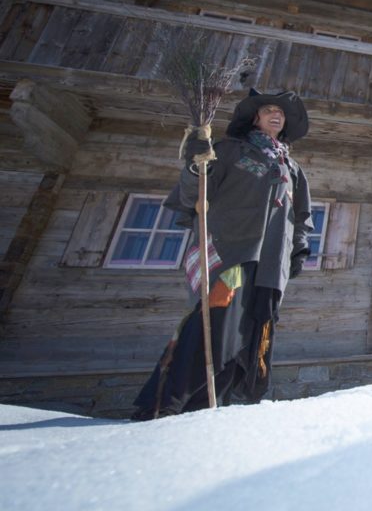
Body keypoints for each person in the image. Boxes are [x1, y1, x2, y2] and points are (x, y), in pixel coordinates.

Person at [131, 89, 313, 420]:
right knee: (213, 326)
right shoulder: (229, 151)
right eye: (268, 110)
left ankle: (214, 409)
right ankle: (164, 405)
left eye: (281, 112)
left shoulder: (293, 169)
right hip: (232, 256)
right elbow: (193, 194)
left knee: (250, 338)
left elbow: (300, 217)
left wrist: (298, 250)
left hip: (271, 268)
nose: (275, 114)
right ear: (255, 118)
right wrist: (193, 166)